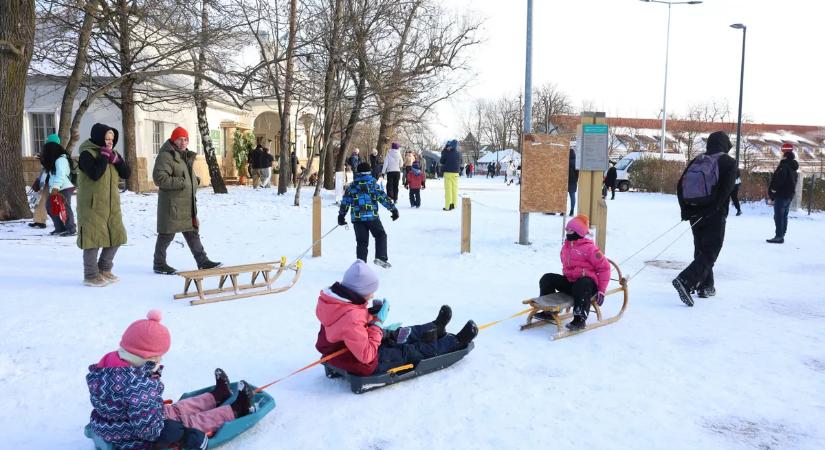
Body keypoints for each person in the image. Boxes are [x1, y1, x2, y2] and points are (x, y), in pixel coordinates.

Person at [86, 310, 255, 450]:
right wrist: (177, 432)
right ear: (149, 358)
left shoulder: (108, 365)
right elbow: (149, 430)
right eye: (159, 358)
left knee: (177, 409)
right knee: (187, 423)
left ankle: (217, 396)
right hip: (137, 436)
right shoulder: (137, 386)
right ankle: (236, 410)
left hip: (116, 423)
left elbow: (136, 403)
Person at [315, 260, 479, 376]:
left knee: (399, 333)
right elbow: (366, 355)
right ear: (358, 291)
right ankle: (455, 342)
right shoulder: (351, 317)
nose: (372, 294)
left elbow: (350, 324)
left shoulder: (336, 301)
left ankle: (435, 327)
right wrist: (377, 324)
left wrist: (370, 314)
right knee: (408, 351)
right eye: (370, 292)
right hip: (361, 361)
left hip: (351, 347)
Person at [672, 131, 737, 306]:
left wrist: (685, 210)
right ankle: (686, 280)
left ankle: (706, 286)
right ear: (725, 144)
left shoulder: (698, 160)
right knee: (710, 252)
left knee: (701, 249)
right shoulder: (729, 163)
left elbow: (680, 185)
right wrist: (713, 209)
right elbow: (726, 190)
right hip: (714, 214)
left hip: (694, 212)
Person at [152, 127, 221, 275]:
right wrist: (183, 182)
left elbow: (184, 176)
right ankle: (159, 263)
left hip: (186, 203)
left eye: (185, 139)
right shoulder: (166, 156)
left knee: (192, 233)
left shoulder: (183, 156)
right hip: (172, 205)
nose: (183, 142)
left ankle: (203, 261)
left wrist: (193, 181)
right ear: (173, 139)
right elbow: (159, 178)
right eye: (180, 139)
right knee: (166, 234)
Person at [76, 123, 131, 287]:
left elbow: (126, 173)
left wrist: (116, 160)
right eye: (106, 139)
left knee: (117, 236)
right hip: (92, 205)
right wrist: (103, 157)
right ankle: (91, 275)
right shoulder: (86, 154)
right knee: (93, 240)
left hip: (111, 204)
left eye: (112, 139)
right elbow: (95, 174)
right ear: (98, 138)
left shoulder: (113, 153)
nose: (109, 142)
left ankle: (104, 269)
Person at [537, 215, 611, 330]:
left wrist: (601, 290)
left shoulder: (590, 249)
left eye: (571, 230)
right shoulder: (566, 246)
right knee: (547, 278)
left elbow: (604, 268)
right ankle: (548, 311)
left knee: (582, 284)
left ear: (579, 232)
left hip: (587, 286)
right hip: (571, 282)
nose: (568, 232)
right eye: (567, 230)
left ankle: (579, 319)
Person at [339, 162, 399, 269]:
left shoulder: (352, 186)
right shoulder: (372, 184)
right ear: (369, 172)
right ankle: (381, 257)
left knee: (362, 242)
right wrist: (393, 209)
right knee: (380, 235)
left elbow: (345, 202)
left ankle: (361, 266)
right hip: (372, 217)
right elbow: (383, 198)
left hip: (357, 218)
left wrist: (341, 216)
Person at [42, 135, 77, 236]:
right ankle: (60, 228)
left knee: (65, 208)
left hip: (64, 187)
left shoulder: (61, 160)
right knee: (49, 207)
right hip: (56, 188)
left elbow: (61, 174)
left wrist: (56, 187)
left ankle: (71, 229)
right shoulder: (54, 160)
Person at [766, 143, 799, 243]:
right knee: (784, 215)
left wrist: (773, 191)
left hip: (781, 195)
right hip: (789, 195)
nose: (781, 155)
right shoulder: (793, 169)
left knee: (778, 216)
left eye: (783, 154)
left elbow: (779, 180)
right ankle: (782, 234)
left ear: (785, 157)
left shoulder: (783, 167)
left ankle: (779, 236)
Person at [29, 133, 62, 230]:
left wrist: (42, 160)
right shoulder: (50, 152)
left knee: (56, 203)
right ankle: (39, 220)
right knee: (42, 200)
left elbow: (50, 166)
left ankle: (63, 222)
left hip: (55, 182)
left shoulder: (57, 154)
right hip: (46, 180)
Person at [440, 139, 462, 211]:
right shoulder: (459, 153)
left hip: (448, 173)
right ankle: (454, 205)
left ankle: (448, 206)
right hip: (456, 173)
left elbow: (442, 161)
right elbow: (461, 161)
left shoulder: (447, 153)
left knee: (448, 190)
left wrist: (445, 151)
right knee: (454, 189)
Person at [568, 147, 579, 216]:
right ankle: (572, 210)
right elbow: (577, 173)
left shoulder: (566, 160)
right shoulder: (576, 162)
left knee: (563, 196)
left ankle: (562, 210)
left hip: (566, 180)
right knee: (572, 196)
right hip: (573, 181)